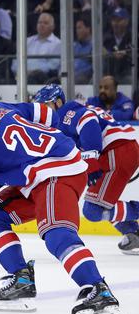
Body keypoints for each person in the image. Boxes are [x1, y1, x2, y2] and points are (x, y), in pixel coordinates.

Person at [0, 82, 124, 314]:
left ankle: (98, 290)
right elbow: (46, 114)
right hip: (45, 171)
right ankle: (21, 279)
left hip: (56, 173)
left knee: (57, 234)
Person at [34, 84, 139, 255]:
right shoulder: (58, 121)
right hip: (118, 150)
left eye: (45, 105)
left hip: (117, 150)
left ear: (58, 102)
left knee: (93, 210)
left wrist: (91, 158)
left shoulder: (66, 113)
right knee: (98, 204)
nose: (42, 111)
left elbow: (87, 121)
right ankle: (133, 231)